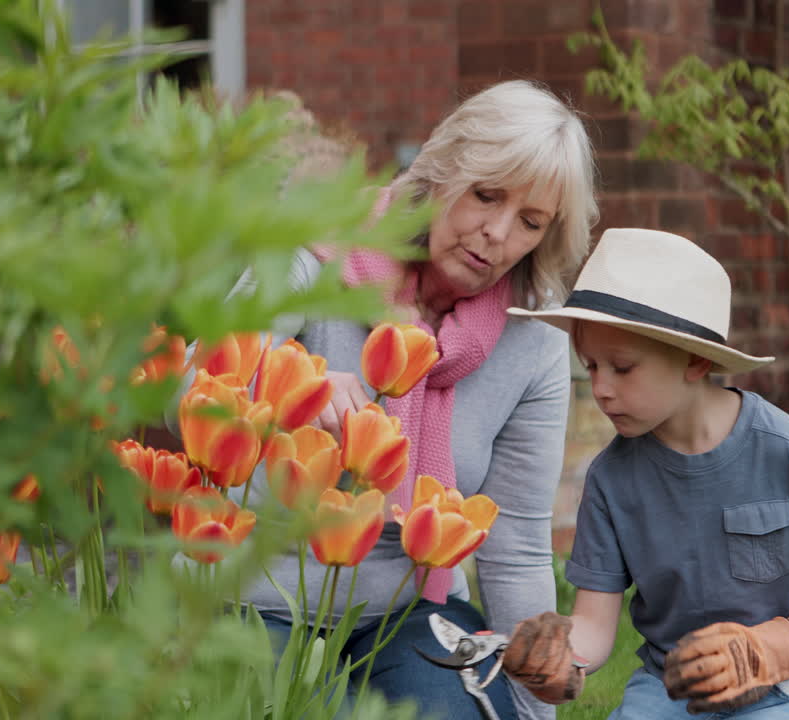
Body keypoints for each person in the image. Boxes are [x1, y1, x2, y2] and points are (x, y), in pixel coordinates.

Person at [235, 81, 599, 720]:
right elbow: (199, 374)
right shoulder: (314, 248)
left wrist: (531, 705)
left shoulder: (532, 338)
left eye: (530, 223)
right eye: (487, 195)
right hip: (261, 593)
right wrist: (296, 381)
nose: (496, 233)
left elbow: (513, 542)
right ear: (442, 171)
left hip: (413, 606)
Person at [501, 228, 789, 719]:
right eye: (591, 366)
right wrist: (561, 662)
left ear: (695, 360)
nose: (601, 389)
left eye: (622, 367)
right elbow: (595, 626)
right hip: (670, 687)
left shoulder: (784, 450)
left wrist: (776, 644)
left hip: (784, 683)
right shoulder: (610, 480)